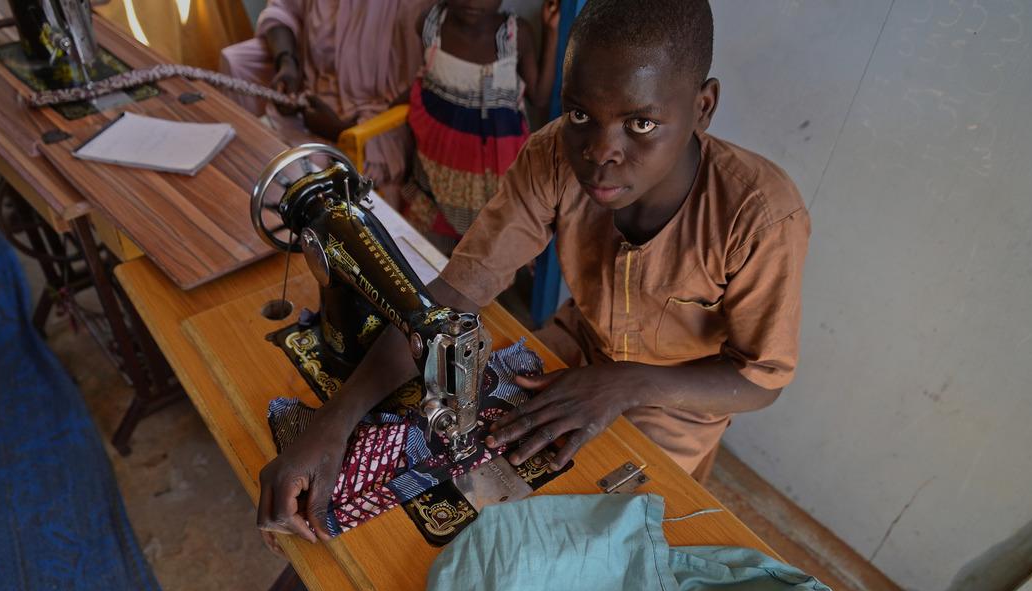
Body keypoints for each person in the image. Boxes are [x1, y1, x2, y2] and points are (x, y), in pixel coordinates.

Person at [256, 0, 810, 543]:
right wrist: (332, 423)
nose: (600, 152)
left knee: (579, 541)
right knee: (448, 510)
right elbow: (452, 297)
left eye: (641, 123)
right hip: (572, 351)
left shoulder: (759, 215)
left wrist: (622, 384)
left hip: (674, 410)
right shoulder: (552, 158)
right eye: (579, 115)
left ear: (703, 106)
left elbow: (760, 380)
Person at [219, 0, 434, 207]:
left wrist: (337, 130)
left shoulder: (419, 7)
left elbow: (426, 87)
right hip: (310, 96)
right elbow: (283, 8)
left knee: (290, 177)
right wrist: (287, 63)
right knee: (250, 160)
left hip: (373, 124)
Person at [400, 0, 560, 254]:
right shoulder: (430, 25)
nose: (473, 2)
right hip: (436, 171)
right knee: (427, 258)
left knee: (482, 258)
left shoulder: (514, 35)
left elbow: (539, 97)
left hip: (491, 183)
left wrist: (551, 30)